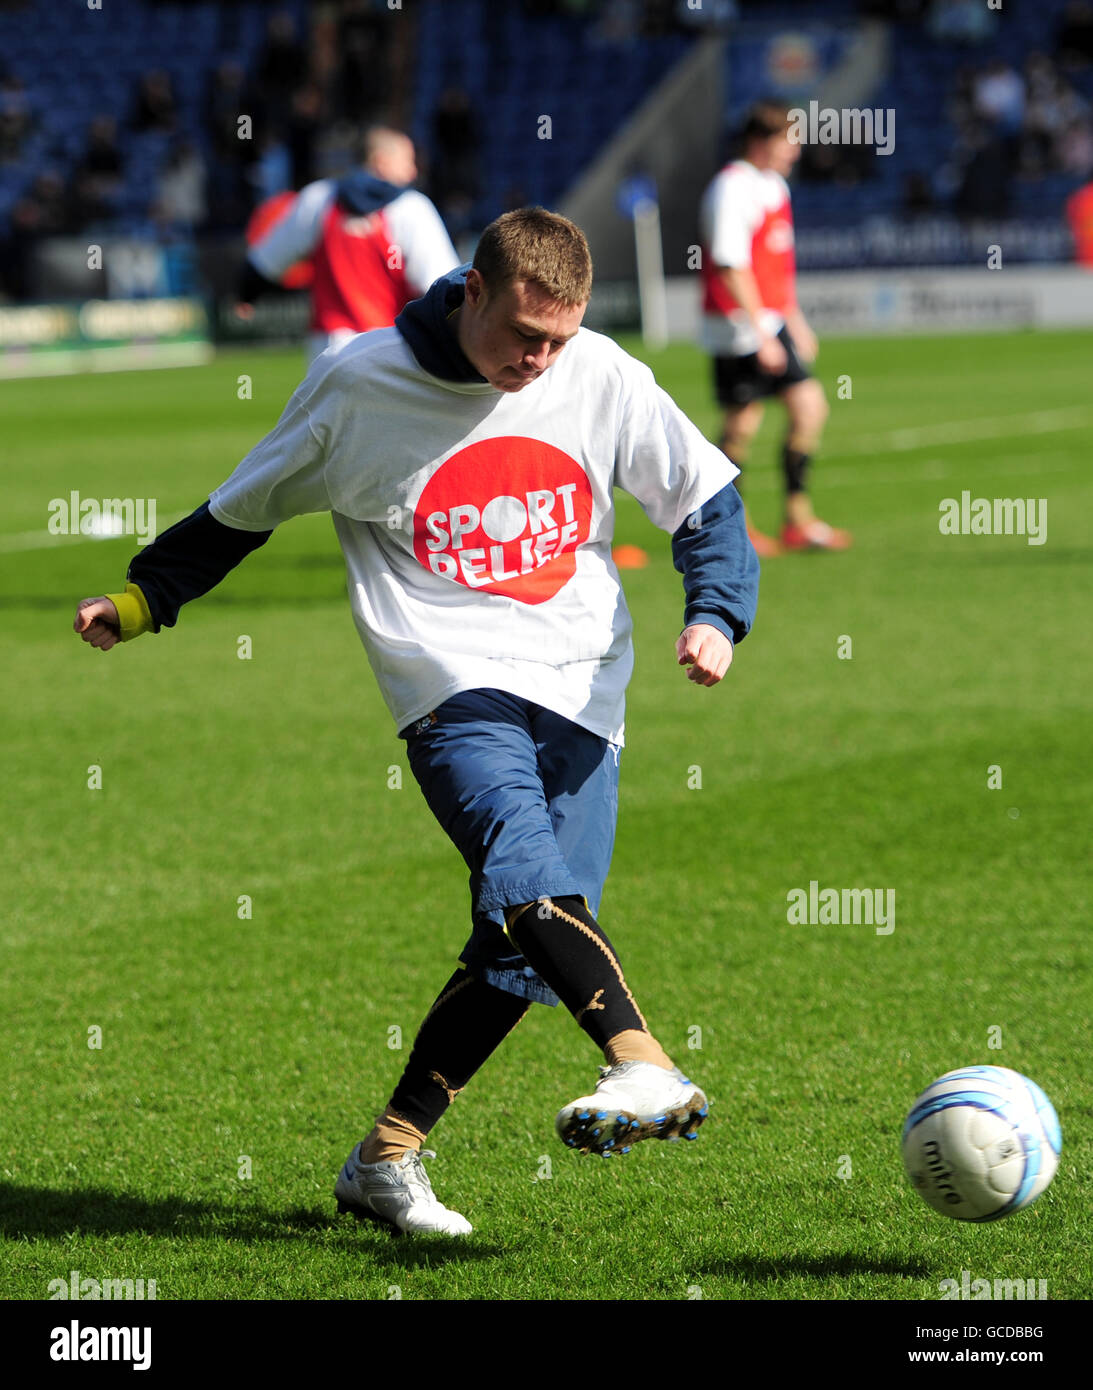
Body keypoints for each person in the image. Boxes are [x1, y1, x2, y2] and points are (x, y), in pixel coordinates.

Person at [74, 208, 759, 1236]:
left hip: (584, 686)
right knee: (524, 867)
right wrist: (141, 602)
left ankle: (385, 1159)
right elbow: (239, 512)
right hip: (450, 686)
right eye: (522, 335)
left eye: (557, 340)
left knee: (523, 944)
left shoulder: (599, 371)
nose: (538, 360)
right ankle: (641, 1061)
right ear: (470, 291)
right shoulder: (357, 385)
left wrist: (715, 612)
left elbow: (705, 498)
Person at [699, 102, 850, 555]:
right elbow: (729, 264)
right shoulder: (730, 188)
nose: (796, 151)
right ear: (762, 141)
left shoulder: (774, 186)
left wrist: (793, 319)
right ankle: (731, 527)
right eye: (790, 140)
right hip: (736, 324)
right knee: (742, 424)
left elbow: (776, 264)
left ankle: (797, 518)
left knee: (809, 407)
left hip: (770, 319)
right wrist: (761, 334)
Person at [237, 125, 459, 363]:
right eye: (408, 161)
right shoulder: (411, 208)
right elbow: (440, 287)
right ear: (381, 161)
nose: (413, 172)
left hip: (328, 352)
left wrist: (246, 296)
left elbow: (265, 263)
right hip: (391, 346)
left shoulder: (319, 199)